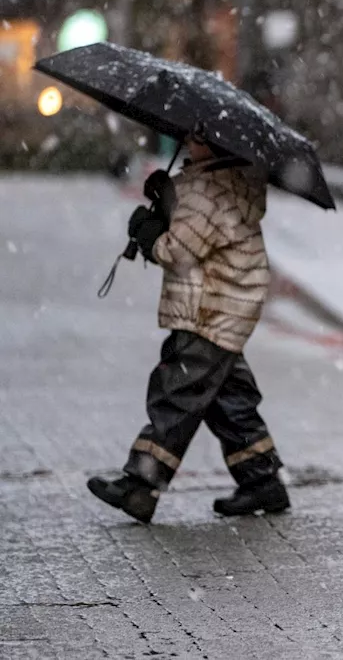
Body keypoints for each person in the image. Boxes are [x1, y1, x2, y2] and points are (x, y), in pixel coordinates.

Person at [86, 137, 287, 523]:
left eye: (197, 138)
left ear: (214, 142)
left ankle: (141, 487)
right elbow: (198, 233)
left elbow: (178, 251)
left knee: (176, 393)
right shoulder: (228, 181)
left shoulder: (209, 190)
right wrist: (169, 200)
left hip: (207, 311)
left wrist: (149, 234)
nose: (188, 143)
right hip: (228, 309)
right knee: (229, 400)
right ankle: (262, 480)